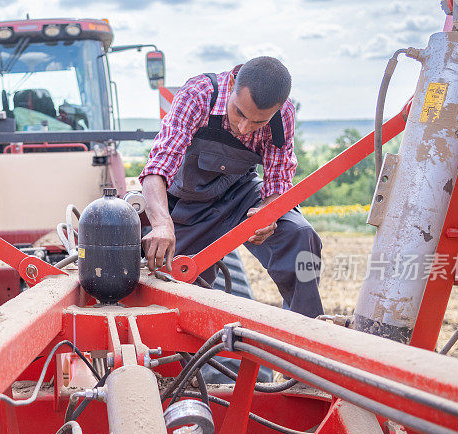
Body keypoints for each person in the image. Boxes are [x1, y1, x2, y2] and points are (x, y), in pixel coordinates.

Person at [139, 56, 324, 320]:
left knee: (300, 235)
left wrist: (267, 212)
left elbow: (278, 181)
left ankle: (309, 333)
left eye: (258, 122)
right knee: (176, 290)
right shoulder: (199, 94)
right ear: (232, 85)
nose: (244, 128)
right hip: (189, 206)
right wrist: (160, 224)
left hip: (241, 197)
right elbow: (156, 169)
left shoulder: (283, 116)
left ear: (279, 108)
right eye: (239, 112)